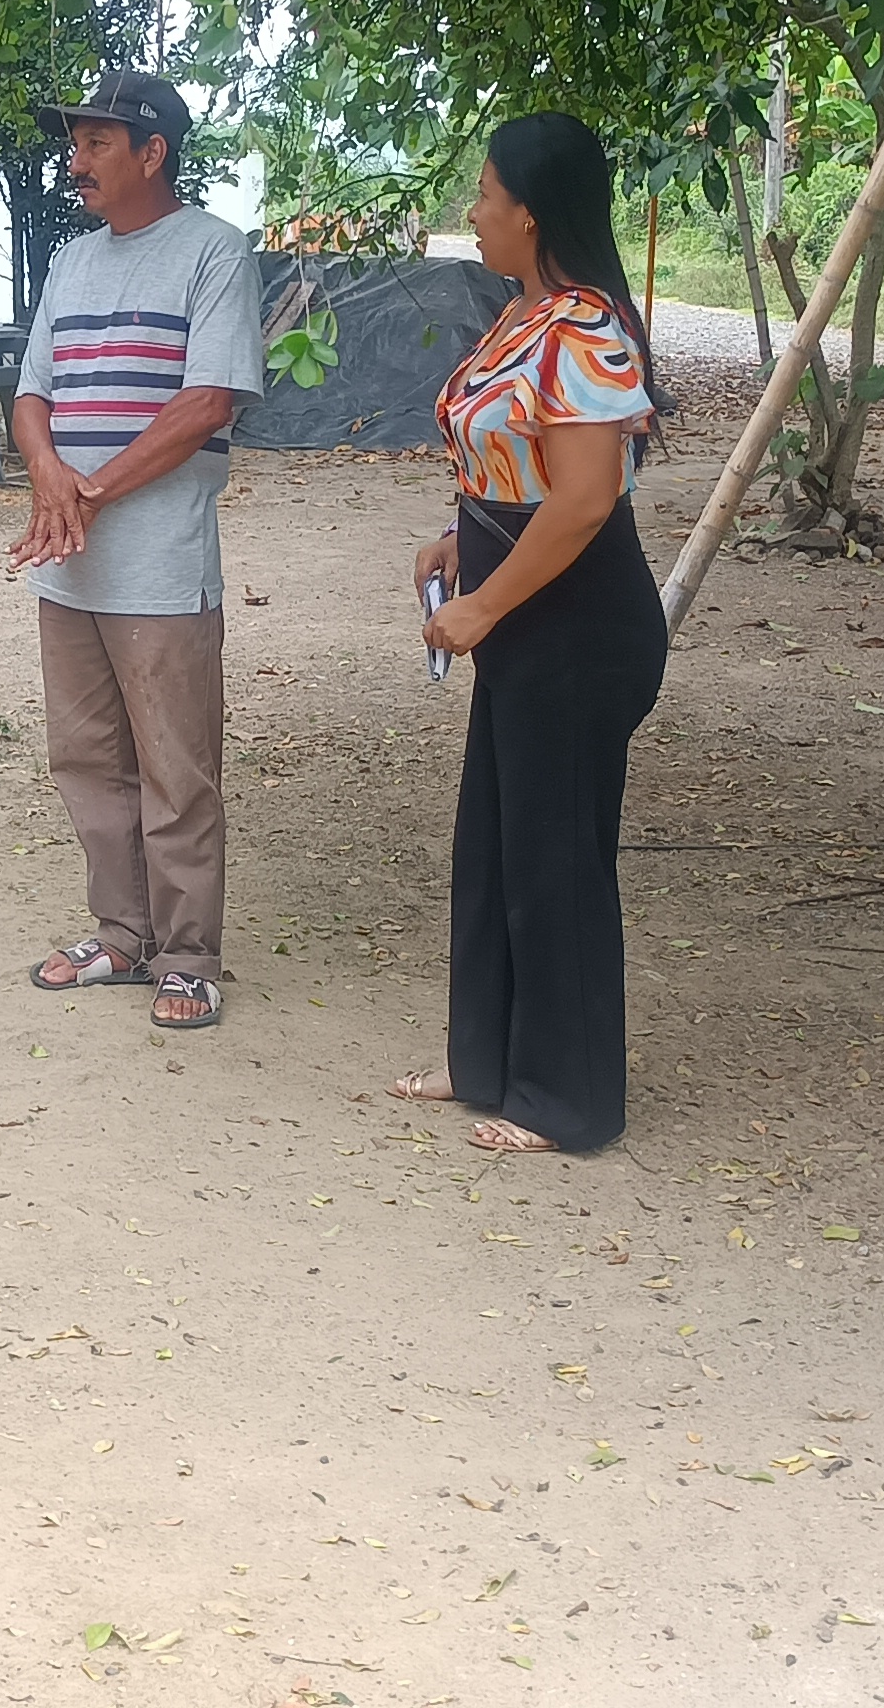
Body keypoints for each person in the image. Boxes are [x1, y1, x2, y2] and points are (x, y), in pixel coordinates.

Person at [387, 113, 667, 1153]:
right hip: (525, 615)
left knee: (556, 864)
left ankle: (566, 1101)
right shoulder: (522, 316)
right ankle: (488, 1066)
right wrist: (459, 540)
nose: (474, 212)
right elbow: (517, 466)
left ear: (532, 214)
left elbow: (586, 499)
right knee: (496, 851)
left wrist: (485, 603)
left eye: (486, 195)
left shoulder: (585, 330)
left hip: (577, 626)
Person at [6, 70, 263, 1031]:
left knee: (175, 767)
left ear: (153, 153)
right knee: (85, 759)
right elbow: (31, 394)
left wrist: (91, 491)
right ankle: (121, 934)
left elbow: (208, 404)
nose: (76, 161)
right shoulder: (71, 262)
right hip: (70, 565)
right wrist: (49, 476)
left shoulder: (213, 252)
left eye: (96, 143)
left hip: (160, 565)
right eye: (75, 144)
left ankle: (189, 955)